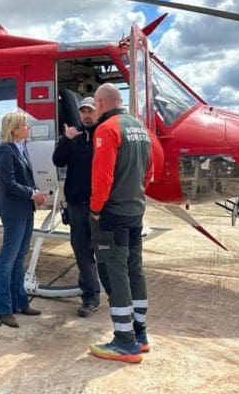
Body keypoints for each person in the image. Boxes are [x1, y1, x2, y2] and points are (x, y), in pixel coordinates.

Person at [88, 83, 163, 363]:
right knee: (135, 269)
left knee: (114, 272)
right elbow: (149, 173)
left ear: (99, 103)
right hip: (135, 211)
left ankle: (124, 341)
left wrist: (96, 209)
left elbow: (102, 178)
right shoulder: (140, 129)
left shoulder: (106, 130)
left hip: (113, 215)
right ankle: (140, 334)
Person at [0, 112, 47, 328]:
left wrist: (35, 193)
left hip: (25, 208)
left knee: (19, 257)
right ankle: (3, 308)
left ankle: (19, 301)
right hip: (14, 210)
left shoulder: (21, 147)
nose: (29, 128)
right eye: (25, 125)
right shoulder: (5, 149)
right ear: (14, 129)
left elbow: (24, 179)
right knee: (8, 259)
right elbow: (7, 183)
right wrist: (33, 194)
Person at [52, 96, 102, 317]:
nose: (86, 115)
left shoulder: (105, 134)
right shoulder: (73, 136)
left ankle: (110, 293)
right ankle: (90, 297)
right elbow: (58, 161)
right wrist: (65, 139)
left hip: (101, 206)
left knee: (105, 252)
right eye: (83, 111)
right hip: (78, 205)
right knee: (82, 251)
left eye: (90, 110)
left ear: (97, 111)